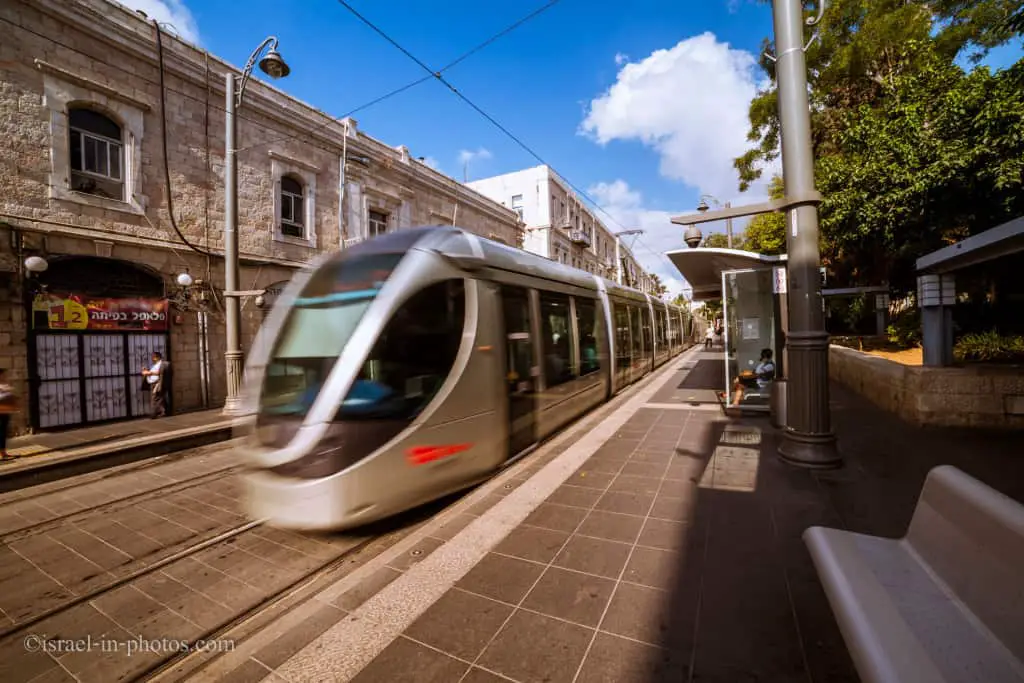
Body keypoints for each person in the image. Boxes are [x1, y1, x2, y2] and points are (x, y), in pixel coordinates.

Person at [141, 351, 169, 418]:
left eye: (154, 357)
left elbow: (159, 373)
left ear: (158, 357)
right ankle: (164, 412)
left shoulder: (161, 364)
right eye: (153, 357)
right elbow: (154, 372)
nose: (152, 358)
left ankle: (153, 414)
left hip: (157, 383)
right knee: (160, 398)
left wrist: (148, 373)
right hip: (153, 383)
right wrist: (147, 371)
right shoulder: (154, 365)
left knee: (155, 398)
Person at [0, 368, 17, 460]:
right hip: (1, 412)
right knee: (1, 433)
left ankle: (3, 453)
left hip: (5, 412)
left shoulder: (4, 384)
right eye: (3, 375)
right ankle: (3, 454)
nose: (5, 376)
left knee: (3, 432)